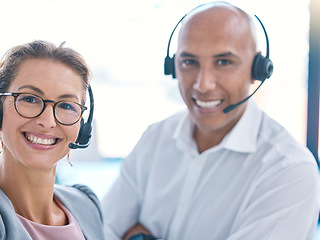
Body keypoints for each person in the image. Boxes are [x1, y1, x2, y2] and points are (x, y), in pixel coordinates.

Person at [101, 2, 319, 240]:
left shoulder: (289, 171)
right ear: (172, 67)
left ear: (257, 70)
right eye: (189, 62)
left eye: (224, 62)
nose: (203, 85)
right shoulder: (155, 139)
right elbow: (101, 230)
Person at [0, 40, 104, 239]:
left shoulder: (86, 205)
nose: (47, 121)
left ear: (81, 127)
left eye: (67, 106)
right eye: (29, 99)